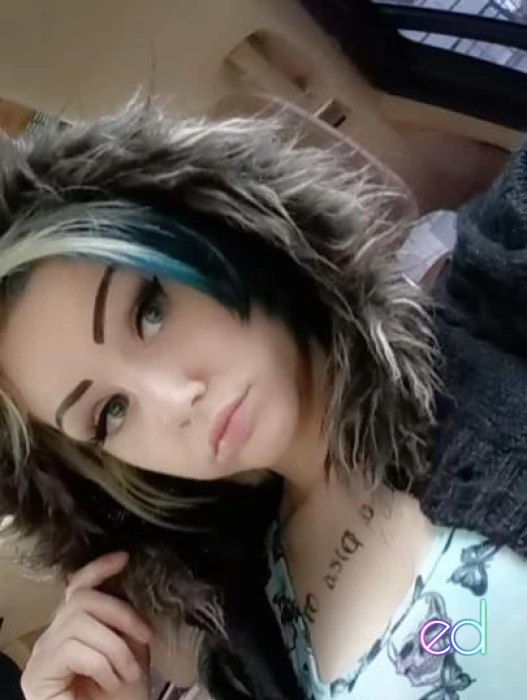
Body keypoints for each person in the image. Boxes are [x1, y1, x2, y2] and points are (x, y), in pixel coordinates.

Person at [0, 101, 525, 700]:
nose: (174, 402)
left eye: (149, 311)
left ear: (208, 229)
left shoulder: (493, 302)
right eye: (110, 413)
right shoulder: (252, 646)